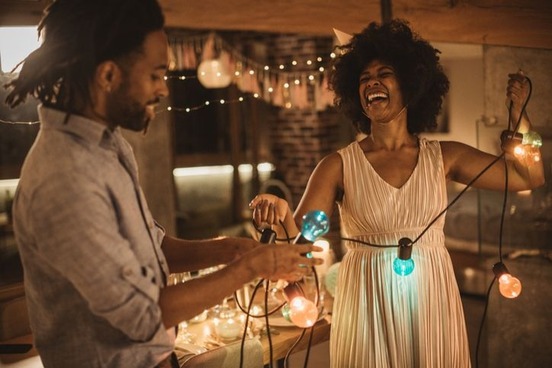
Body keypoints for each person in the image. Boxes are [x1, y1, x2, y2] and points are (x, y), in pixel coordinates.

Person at [4, 1, 323, 367]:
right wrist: (251, 269)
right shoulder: (67, 178)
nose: (165, 89)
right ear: (108, 76)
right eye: (156, 74)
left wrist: (235, 251)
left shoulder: (110, 147)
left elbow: (154, 248)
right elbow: (142, 317)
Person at [250, 19, 545, 368]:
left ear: (409, 84)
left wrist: (520, 117)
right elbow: (294, 248)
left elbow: (527, 176)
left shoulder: (444, 156)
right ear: (354, 95)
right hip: (365, 302)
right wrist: (277, 208)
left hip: (431, 298)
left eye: (384, 73)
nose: (372, 81)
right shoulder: (337, 165)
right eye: (363, 78)